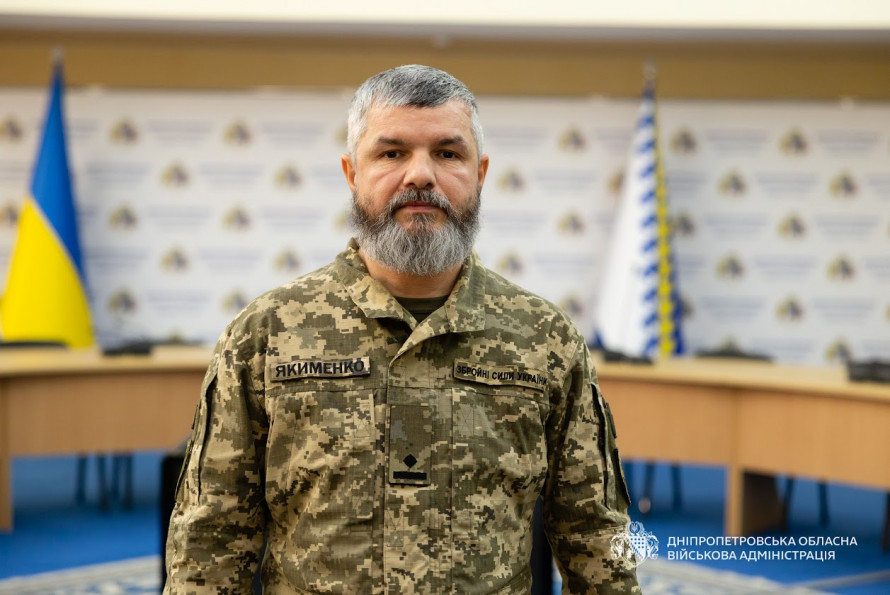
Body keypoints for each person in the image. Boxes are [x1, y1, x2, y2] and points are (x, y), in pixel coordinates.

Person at [165, 64, 640, 594]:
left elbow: (597, 539)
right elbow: (209, 540)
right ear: (352, 172)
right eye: (392, 153)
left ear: (481, 173)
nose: (420, 175)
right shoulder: (265, 334)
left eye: (447, 153)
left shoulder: (545, 339)